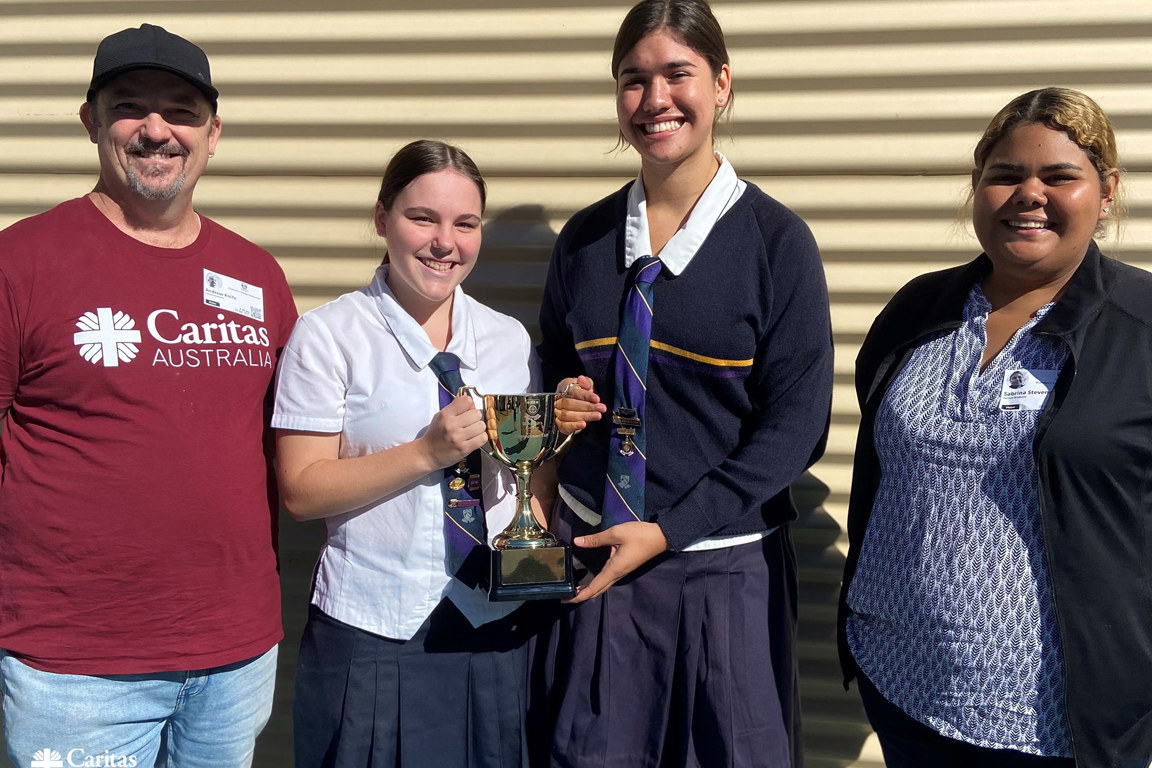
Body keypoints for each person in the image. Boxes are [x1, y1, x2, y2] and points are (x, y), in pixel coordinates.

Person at [528, 1, 833, 765]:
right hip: (593, 556)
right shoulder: (587, 241)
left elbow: (797, 430)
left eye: (678, 74)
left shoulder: (777, 244)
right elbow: (547, 381)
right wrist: (562, 410)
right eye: (633, 80)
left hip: (721, 570)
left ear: (722, 85)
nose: (655, 99)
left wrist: (669, 528)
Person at [0, 24, 297, 767]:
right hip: (75, 660)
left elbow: (297, 437)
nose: (157, 129)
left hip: (234, 649)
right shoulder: (21, 262)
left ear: (213, 133)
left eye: (182, 111)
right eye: (130, 106)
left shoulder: (256, 276)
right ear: (91, 122)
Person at [839, 87, 1152, 768]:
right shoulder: (918, 309)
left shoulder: (1141, 330)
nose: (1027, 194)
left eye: (1060, 176)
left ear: (1107, 193)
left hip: (1056, 723)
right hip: (901, 682)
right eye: (1005, 174)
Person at [273, 139, 602, 768]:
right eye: (422, 217)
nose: (443, 241)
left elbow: (527, 480)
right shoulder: (329, 335)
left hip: (493, 623)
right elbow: (301, 490)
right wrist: (426, 451)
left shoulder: (508, 339)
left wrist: (555, 433)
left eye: (465, 223)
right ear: (381, 220)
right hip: (373, 629)